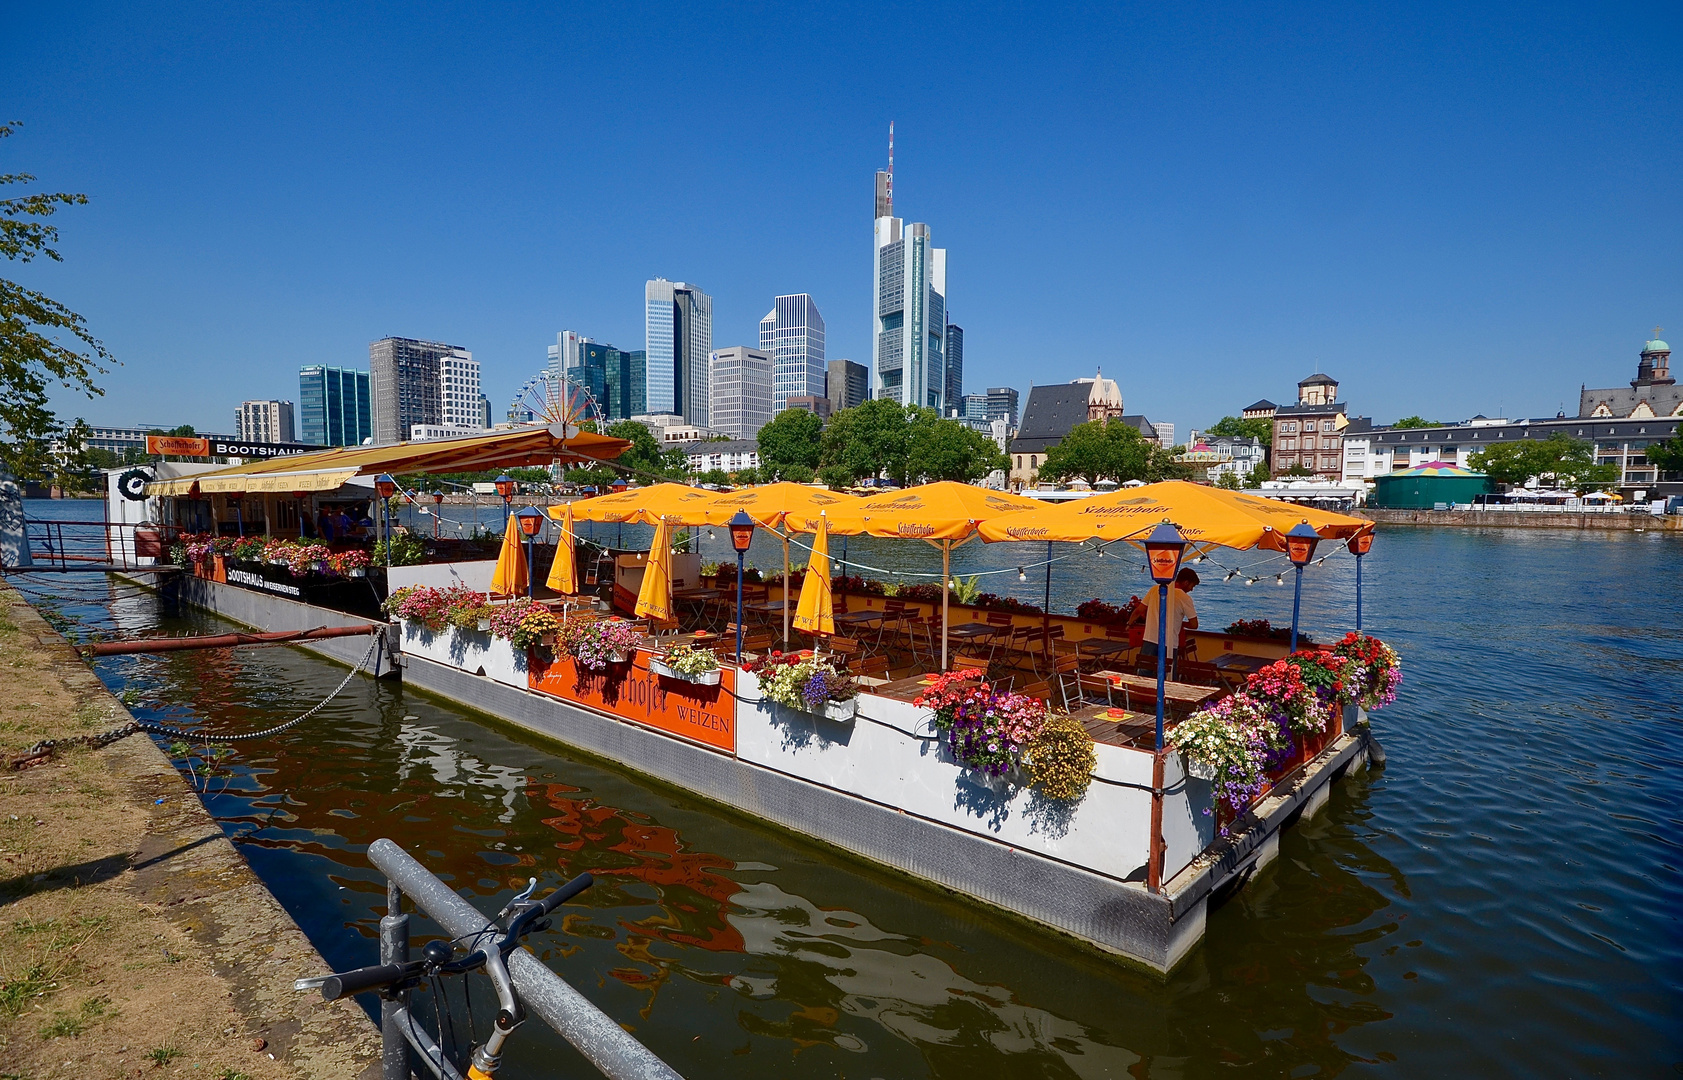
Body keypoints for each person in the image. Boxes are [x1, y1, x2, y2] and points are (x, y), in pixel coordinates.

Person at [1133, 567, 1199, 674]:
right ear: (1186, 582)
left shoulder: (1155, 589)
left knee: (1143, 675)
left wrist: (1129, 623)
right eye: (1192, 586)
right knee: (1167, 676)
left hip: (1150, 638)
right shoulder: (1184, 598)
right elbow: (1194, 624)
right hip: (1169, 642)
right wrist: (1180, 623)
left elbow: (1138, 611)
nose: (1192, 589)